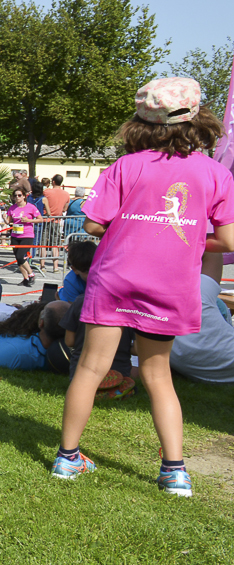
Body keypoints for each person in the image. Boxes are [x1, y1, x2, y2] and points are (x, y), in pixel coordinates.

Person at [54, 78, 234, 495]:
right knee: (158, 374)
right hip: (169, 284)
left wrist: (132, 229)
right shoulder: (214, 173)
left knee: (91, 368)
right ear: (197, 119)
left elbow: (93, 224)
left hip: (115, 278)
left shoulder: (125, 166)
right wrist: (188, 238)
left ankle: (67, 458)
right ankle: (175, 472)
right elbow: (227, 240)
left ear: (141, 121)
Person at [5, 187, 42, 285]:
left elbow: (40, 219)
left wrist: (29, 220)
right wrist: (5, 219)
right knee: (18, 259)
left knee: (20, 256)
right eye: (15, 195)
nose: (17, 197)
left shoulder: (31, 207)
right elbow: (9, 221)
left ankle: (31, 274)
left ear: (24, 196)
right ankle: (26, 279)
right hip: (15, 235)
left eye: (19, 195)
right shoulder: (12, 208)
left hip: (27, 235)